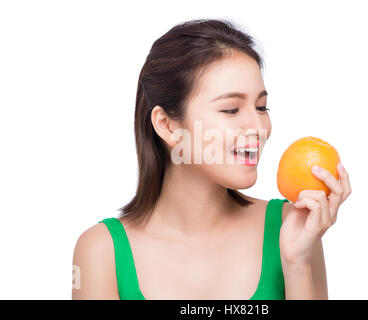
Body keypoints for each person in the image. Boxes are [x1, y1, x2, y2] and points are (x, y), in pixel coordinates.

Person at [72, 18, 351, 300]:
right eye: (231, 110)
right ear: (167, 126)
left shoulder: (293, 228)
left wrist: (296, 264)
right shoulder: (100, 251)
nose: (259, 127)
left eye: (262, 107)